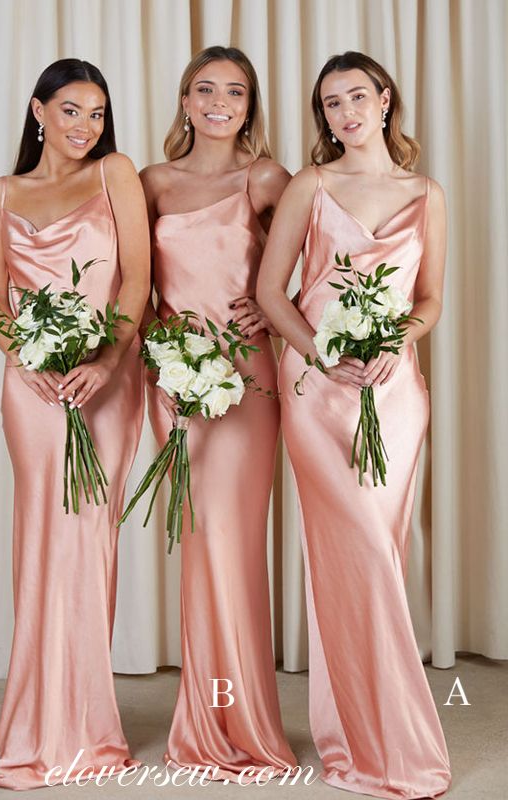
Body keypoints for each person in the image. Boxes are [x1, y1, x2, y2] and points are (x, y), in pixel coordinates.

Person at [257, 51, 451, 798]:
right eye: (330, 103)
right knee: (353, 553)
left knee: (382, 554)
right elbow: (271, 293)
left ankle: (366, 726)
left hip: (395, 396)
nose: (344, 113)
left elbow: (430, 298)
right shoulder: (311, 185)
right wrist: (321, 353)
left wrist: (399, 338)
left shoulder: (425, 193)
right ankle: (376, 738)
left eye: (356, 97)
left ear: (385, 99)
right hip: (316, 391)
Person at [0, 58, 150, 789]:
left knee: (89, 541)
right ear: (38, 111)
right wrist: (29, 358)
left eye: (98, 113)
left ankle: (85, 723)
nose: (86, 127)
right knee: (42, 542)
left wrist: (108, 361)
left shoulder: (117, 175)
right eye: (72, 110)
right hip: (33, 389)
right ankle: (35, 725)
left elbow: (137, 279)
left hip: (106, 382)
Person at [140, 46, 297, 781]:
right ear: (184, 98)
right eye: (205, 89)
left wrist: (273, 309)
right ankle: (203, 720)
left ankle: (243, 721)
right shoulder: (153, 182)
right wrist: (152, 355)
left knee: (233, 543)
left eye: (233, 92)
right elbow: (131, 286)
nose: (218, 103)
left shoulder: (266, 178)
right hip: (172, 379)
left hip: (246, 378)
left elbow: (317, 262)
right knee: (198, 542)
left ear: (249, 104)